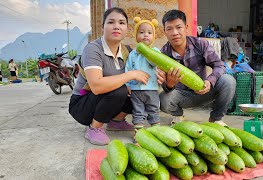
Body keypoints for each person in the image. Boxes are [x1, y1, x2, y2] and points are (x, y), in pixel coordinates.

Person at [68, 7, 150, 146]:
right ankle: (95, 128)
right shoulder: (93, 49)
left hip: (106, 99)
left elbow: (142, 74)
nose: (117, 26)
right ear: (103, 27)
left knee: (142, 93)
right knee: (120, 90)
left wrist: (157, 76)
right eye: (111, 22)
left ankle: (116, 122)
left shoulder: (127, 51)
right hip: (82, 105)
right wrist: (131, 75)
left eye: (122, 23)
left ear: (127, 29)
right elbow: (96, 86)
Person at [157, 10, 236, 126]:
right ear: (164, 32)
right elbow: (165, 87)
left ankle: (216, 118)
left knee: (228, 81)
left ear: (186, 28)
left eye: (179, 27)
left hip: (204, 90)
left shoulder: (200, 44)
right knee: (163, 100)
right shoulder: (162, 55)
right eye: (169, 29)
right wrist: (169, 84)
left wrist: (210, 81)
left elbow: (219, 65)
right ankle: (178, 115)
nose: (174, 33)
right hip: (181, 96)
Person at [125, 17, 161, 130]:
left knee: (154, 110)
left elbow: (154, 63)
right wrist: (128, 84)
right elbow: (128, 69)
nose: (145, 35)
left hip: (152, 89)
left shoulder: (155, 51)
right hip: (136, 90)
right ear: (136, 36)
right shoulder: (133, 54)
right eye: (141, 32)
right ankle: (139, 133)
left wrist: (146, 51)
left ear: (153, 37)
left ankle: (156, 131)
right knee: (138, 111)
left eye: (149, 33)